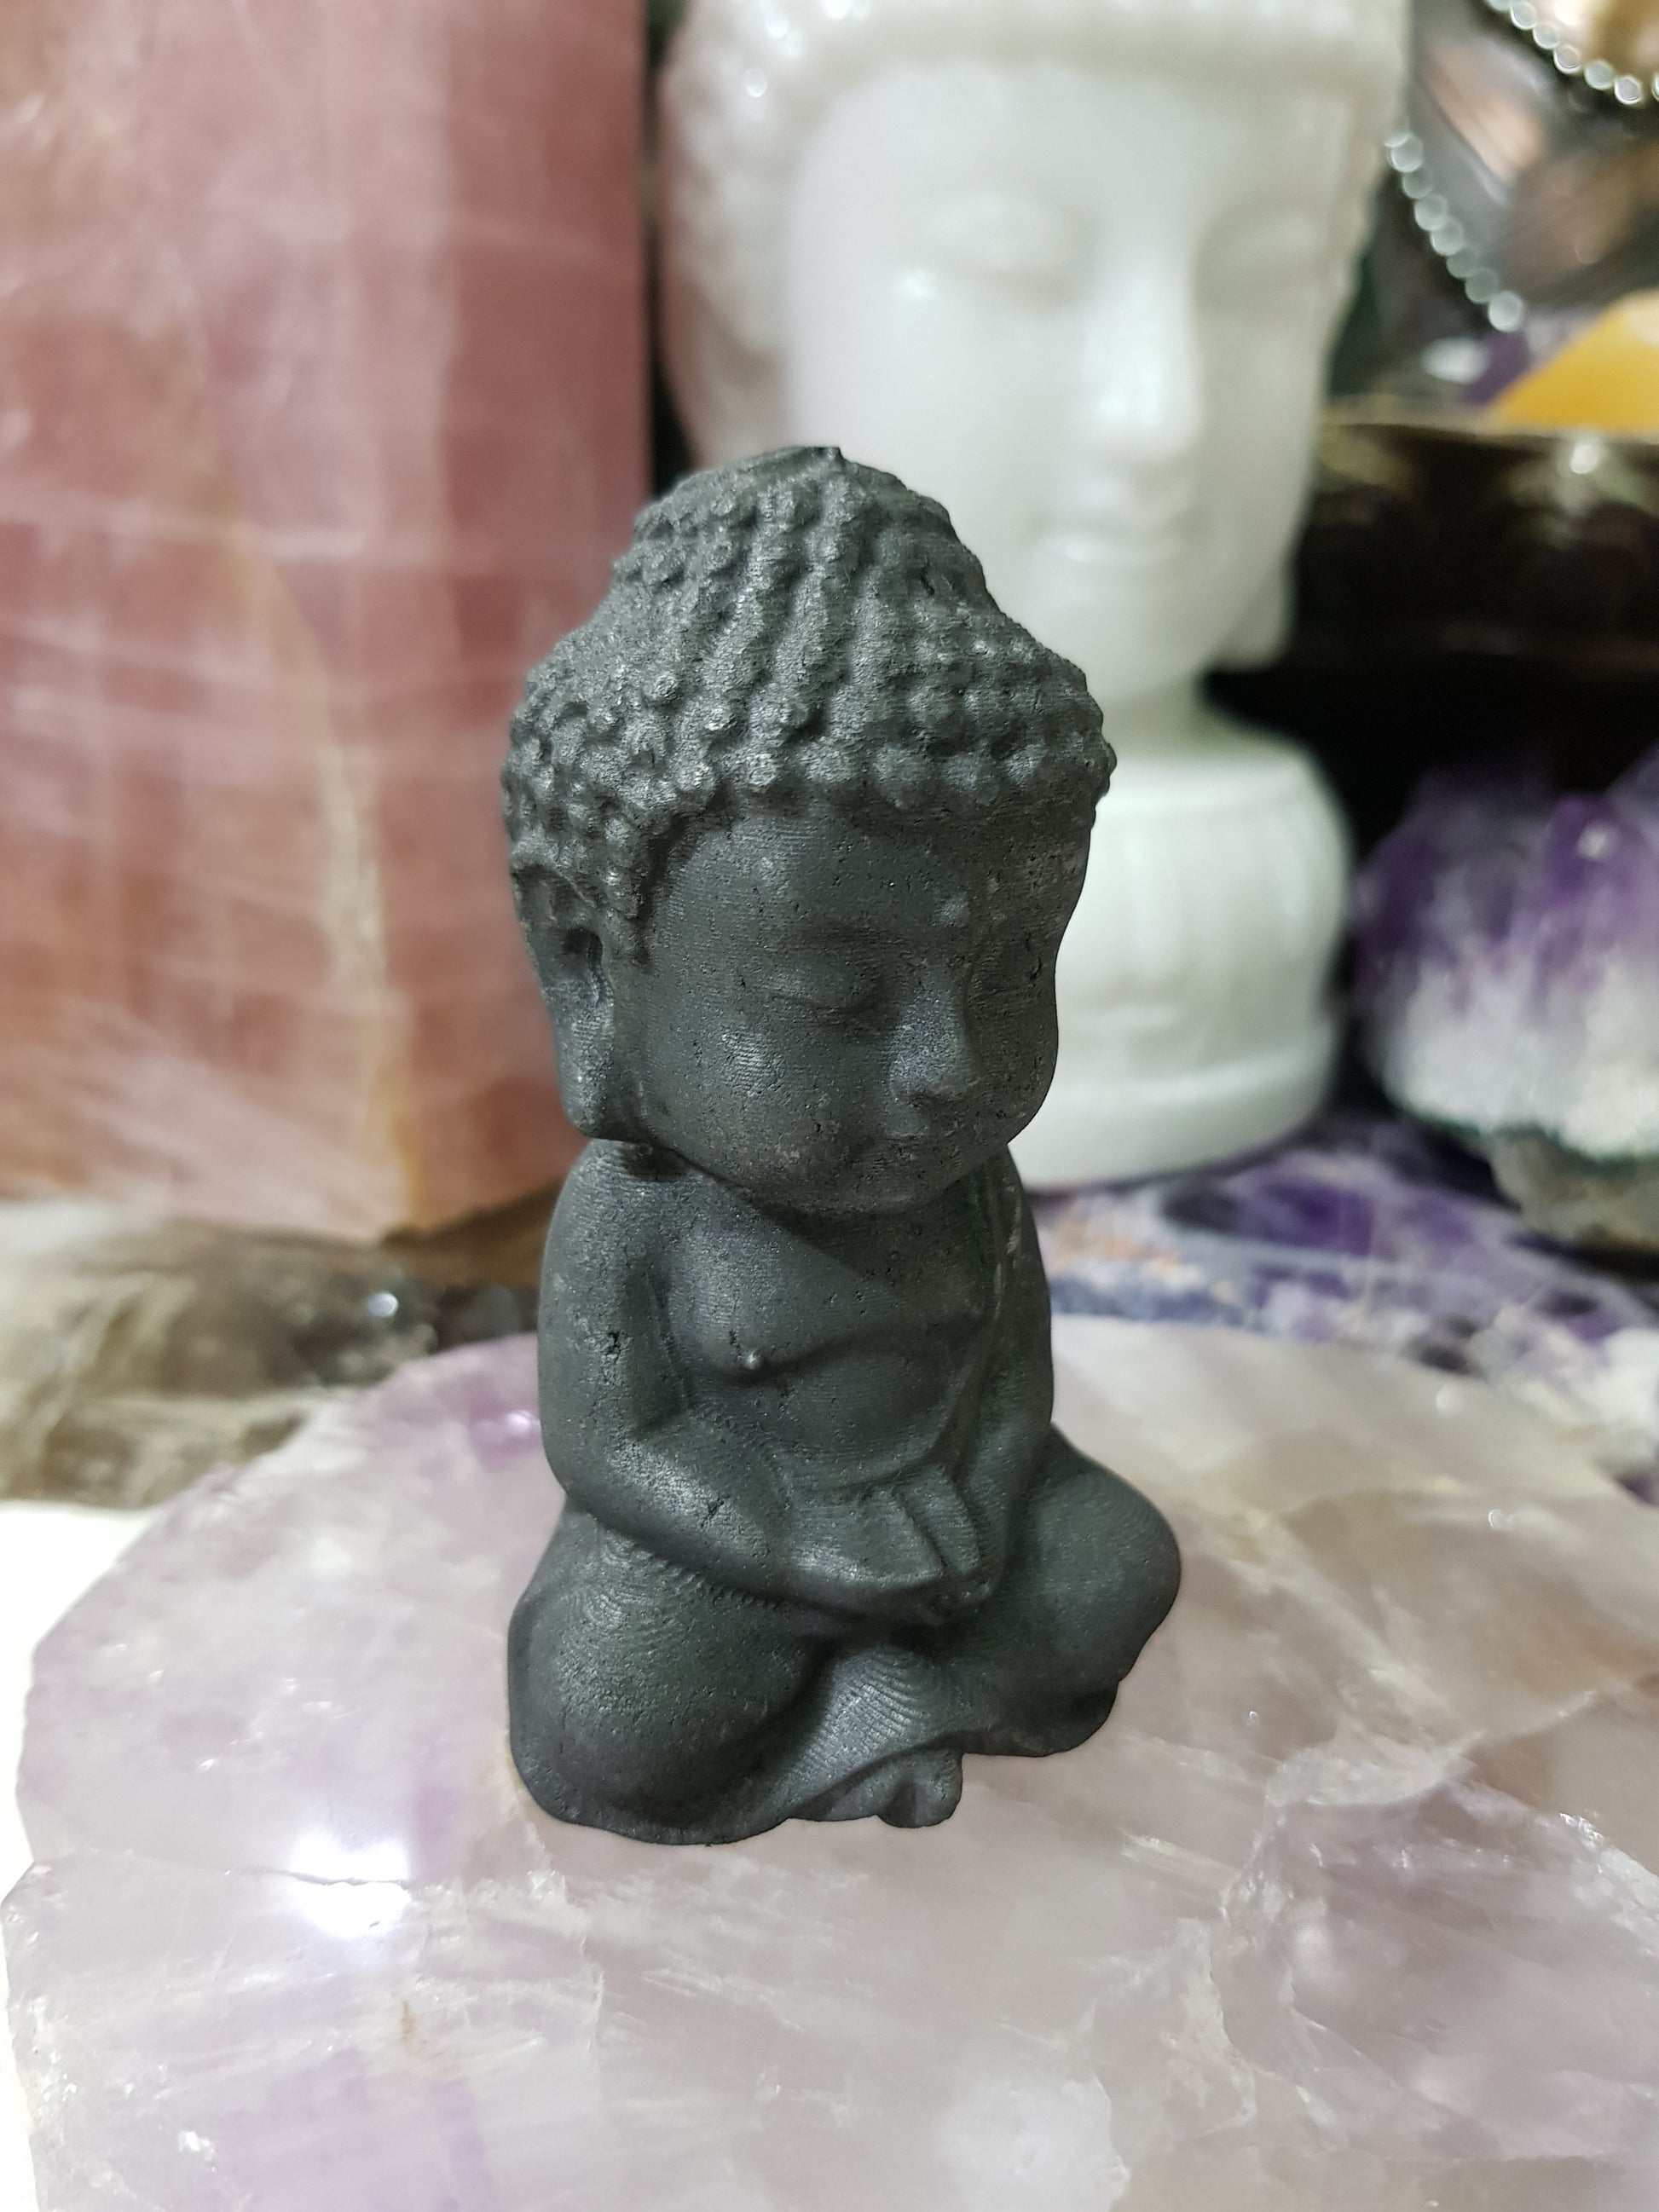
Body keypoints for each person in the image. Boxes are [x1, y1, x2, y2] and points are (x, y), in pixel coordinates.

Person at [501, 448, 1179, 1844]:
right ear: (589, 967)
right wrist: (792, 1546)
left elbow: (1011, 1380)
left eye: (1011, 973)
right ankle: (865, 1712)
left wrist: (984, 1498)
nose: (951, 1069)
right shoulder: (640, 1208)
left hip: (948, 1528)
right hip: (732, 1554)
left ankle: (901, 1705)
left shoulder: (971, 1189)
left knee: (1116, 1562)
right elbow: (612, 1441)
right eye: (832, 998)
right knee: (608, 1705)